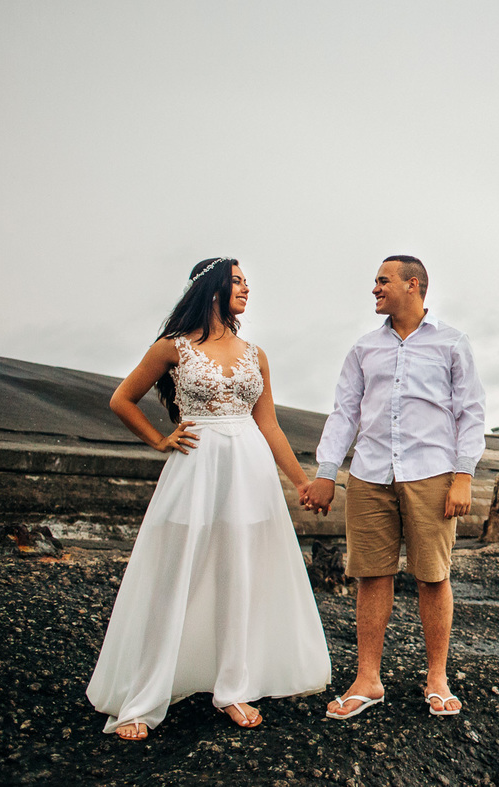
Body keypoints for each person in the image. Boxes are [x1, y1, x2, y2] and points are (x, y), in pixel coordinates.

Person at [87, 257, 331, 740]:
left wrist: (300, 481)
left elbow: (269, 425)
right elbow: (121, 399)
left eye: (246, 282)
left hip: (249, 471)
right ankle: (144, 696)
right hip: (195, 470)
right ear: (213, 288)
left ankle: (233, 688)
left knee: (239, 574)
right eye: (237, 280)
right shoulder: (172, 347)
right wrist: (160, 441)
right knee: (173, 575)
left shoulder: (255, 354)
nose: (246, 288)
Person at [303, 255, 485, 719]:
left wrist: (463, 474)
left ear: (413, 285)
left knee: (432, 575)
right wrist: (326, 471)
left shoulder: (452, 343)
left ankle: (437, 678)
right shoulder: (364, 348)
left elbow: (470, 412)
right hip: (370, 474)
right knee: (371, 574)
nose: (375, 289)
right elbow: (345, 412)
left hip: (432, 473)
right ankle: (368, 680)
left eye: (383, 281)